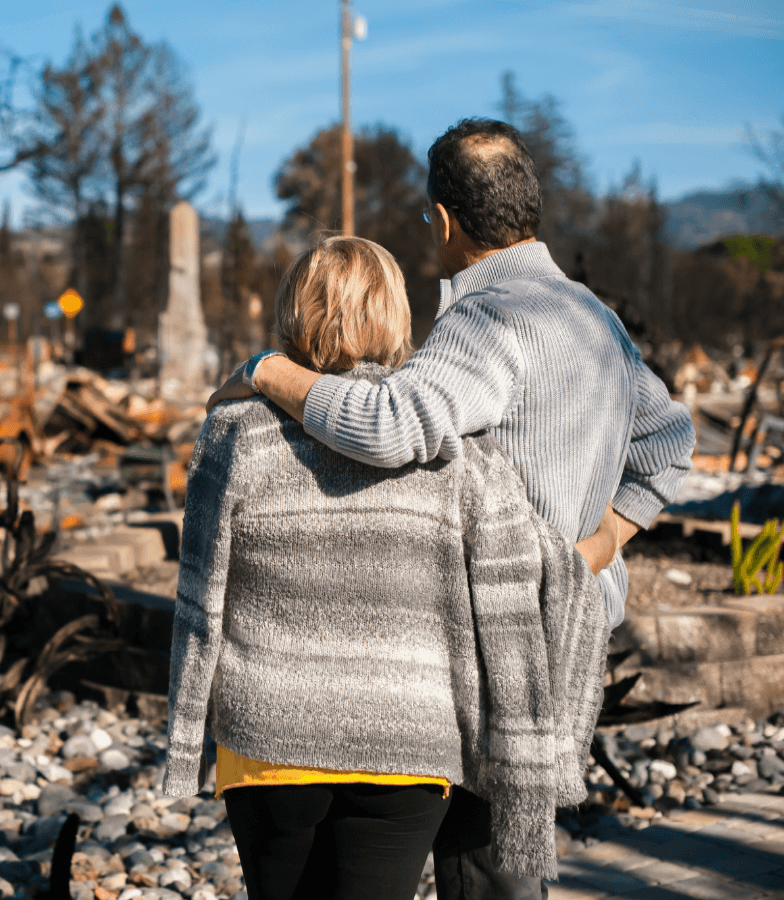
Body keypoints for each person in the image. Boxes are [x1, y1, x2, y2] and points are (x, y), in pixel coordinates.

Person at [209, 119, 697, 899]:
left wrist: (266, 371)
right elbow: (671, 442)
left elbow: (388, 425)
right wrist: (602, 543)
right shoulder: (591, 317)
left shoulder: (486, 320)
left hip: (497, 644)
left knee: (484, 876)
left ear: (441, 218)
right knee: (509, 871)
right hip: (573, 636)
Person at [165, 235, 608, 900]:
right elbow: (510, 598)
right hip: (410, 743)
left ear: (292, 315)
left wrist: (184, 740)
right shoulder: (453, 449)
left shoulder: (233, 431)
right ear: (399, 317)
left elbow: (200, 598)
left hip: (269, 739)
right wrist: (605, 543)